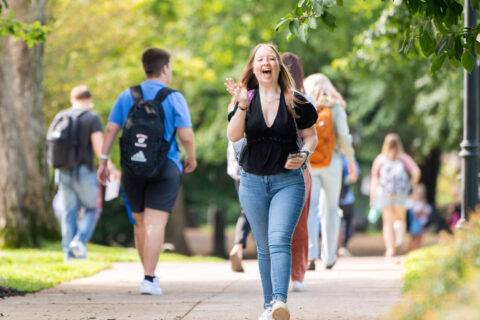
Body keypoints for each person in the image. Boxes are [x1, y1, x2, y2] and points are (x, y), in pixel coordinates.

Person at [226, 43, 318, 320]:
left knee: (279, 240)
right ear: (254, 67)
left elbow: (311, 136)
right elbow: (233, 136)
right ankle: (269, 307)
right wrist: (242, 105)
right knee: (264, 246)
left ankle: (280, 301)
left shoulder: (295, 100)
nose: (265, 63)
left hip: (288, 181)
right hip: (252, 181)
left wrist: (304, 154)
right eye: (260, 59)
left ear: (278, 66)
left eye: (271, 59)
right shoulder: (244, 99)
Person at [97, 48, 197, 295]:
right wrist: (191, 158)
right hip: (166, 165)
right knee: (155, 223)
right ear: (165, 69)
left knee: (140, 223)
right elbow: (186, 135)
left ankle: (147, 276)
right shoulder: (174, 98)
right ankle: (150, 278)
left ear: (145, 68)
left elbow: (110, 131)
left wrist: (103, 161)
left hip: (132, 167)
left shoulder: (127, 95)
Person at [54, 85, 117, 262]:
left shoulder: (61, 116)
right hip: (84, 170)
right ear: (89, 100)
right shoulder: (91, 118)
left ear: (72, 100)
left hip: (62, 170)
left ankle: (69, 254)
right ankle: (79, 241)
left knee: (69, 213)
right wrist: (109, 166)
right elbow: (98, 145)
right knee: (93, 208)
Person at [303, 73, 357, 271]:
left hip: (310, 161)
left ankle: (310, 255)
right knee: (331, 209)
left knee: (310, 207)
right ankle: (330, 256)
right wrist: (350, 160)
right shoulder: (336, 107)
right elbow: (344, 135)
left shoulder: (306, 104)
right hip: (332, 161)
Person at [280, 52, 313, 292]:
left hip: (272, 163)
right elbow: (311, 136)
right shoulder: (305, 98)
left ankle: (278, 274)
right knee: (300, 221)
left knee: (278, 224)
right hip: (300, 163)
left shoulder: (267, 96)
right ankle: (298, 275)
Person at [370, 133, 420, 257]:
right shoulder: (403, 158)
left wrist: (373, 197)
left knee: (387, 223)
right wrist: (411, 186)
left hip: (384, 194)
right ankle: (399, 237)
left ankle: (390, 249)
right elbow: (416, 172)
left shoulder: (380, 159)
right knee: (400, 219)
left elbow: (375, 179)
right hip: (400, 194)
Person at [337, 153, 360, 257]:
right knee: (346, 222)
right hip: (347, 198)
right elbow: (354, 177)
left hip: (331, 197)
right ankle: (343, 246)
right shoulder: (349, 157)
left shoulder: (327, 154)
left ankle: (333, 248)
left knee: (333, 222)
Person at [406, 184, 432, 251]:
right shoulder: (412, 203)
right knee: (414, 237)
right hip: (415, 223)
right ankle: (412, 249)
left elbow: (427, 212)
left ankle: (415, 249)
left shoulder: (423, 203)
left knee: (418, 237)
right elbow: (416, 213)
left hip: (420, 223)